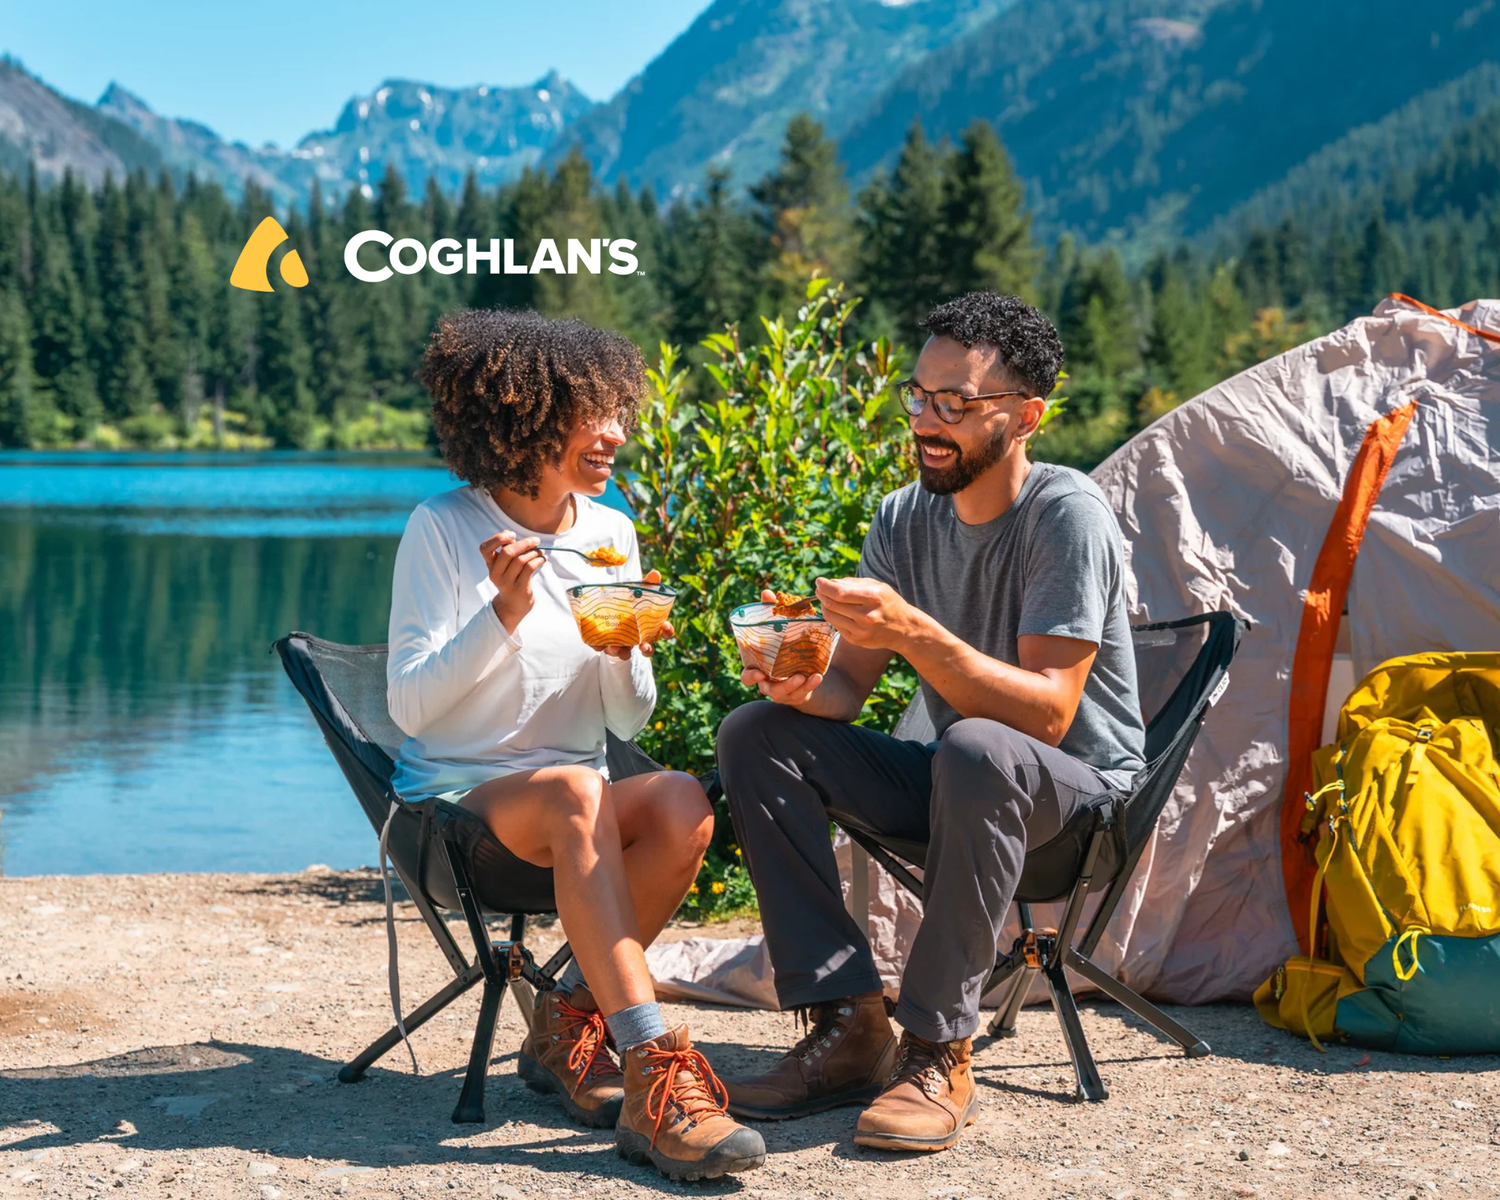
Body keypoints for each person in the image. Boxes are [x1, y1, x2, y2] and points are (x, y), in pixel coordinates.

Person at [716, 291, 1145, 1153]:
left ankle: (940, 1046)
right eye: (919, 396)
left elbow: (1052, 716)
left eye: (957, 403)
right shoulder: (903, 519)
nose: (927, 420)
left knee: (979, 744)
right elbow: (845, 694)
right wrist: (795, 684)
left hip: (1076, 805)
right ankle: (850, 1025)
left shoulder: (1065, 514)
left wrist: (916, 631)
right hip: (963, 781)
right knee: (754, 734)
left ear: (1026, 416)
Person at [387, 309, 764, 1182]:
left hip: (575, 809)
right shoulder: (442, 529)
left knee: (678, 799)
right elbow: (410, 707)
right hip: (457, 809)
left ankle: (565, 1025)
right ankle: (655, 1071)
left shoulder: (609, 532)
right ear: (522, 417)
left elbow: (624, 723)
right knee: (571, 788)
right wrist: (503, 615)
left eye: (617, 410)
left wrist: (626, 653)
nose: (616, 433)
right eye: (590, 414)